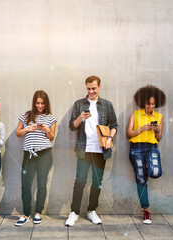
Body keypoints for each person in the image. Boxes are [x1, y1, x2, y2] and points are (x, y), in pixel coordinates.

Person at [65, 75, 118, 227]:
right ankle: (74, 212)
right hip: (84, 149)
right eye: (88, 88)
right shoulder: (79, 104)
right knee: (80, 181)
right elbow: (72, 126)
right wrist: (81, 117)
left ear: (99, 87)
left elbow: (114, 125)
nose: (91, 91)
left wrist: (109, 138)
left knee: (97, 182)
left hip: (101, 150)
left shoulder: (107, 105)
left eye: (94, 88)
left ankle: (91, 210)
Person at [14, 90, 57, 226]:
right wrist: (28, 129)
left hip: (45, 153)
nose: (40, 106)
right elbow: (17, 133)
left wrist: (46, 129)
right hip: (29, 154)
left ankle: (38, 213)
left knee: (41, 184)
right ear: (34, 103)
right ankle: (26, 214)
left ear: (46, 104)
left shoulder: (51, 118)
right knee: (26, 185)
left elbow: (51, 137)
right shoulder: (26, 116)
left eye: (43, 103)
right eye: (38, 103)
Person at [126, 85, 166, 224]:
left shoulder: (159, 117)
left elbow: (159, 138)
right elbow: (128, 133)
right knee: (141, 179)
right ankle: (146, 210)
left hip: (152, 147)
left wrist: (156, 130)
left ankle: (145, 172)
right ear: (143, 102)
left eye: (153, 104)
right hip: (136, 148)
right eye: (148, 103)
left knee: (155, 172)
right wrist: (143, 128)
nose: (150, 106)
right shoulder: (135, 114)